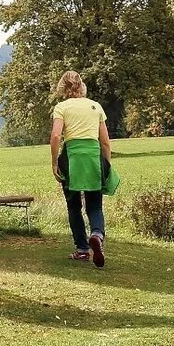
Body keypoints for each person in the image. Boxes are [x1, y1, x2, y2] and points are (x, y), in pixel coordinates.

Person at [50, 71, 115, 268]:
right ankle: (96, 234)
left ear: (63, 87)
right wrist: (107, 165)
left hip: (72, 158)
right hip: (93, 155)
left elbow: (55, 137)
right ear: (81, 86)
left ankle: (82, 249)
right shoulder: (95, 106)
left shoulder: (61, 107)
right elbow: (105, 141)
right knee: (95, 205)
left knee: (73, 205)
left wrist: (54, 163)